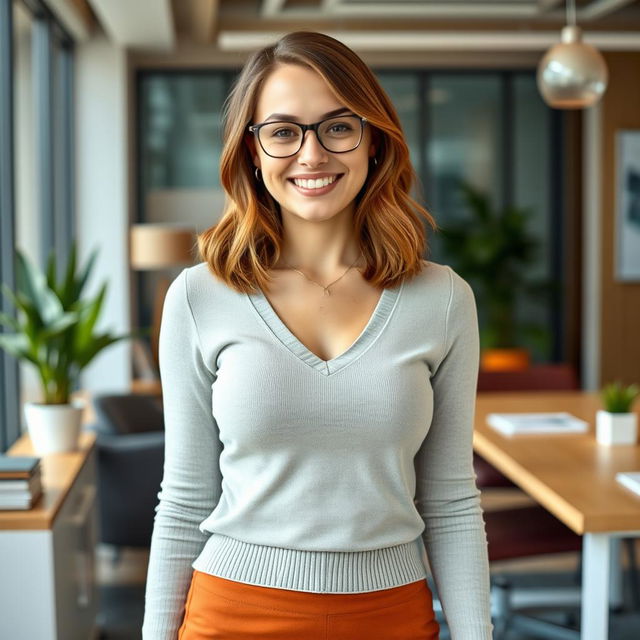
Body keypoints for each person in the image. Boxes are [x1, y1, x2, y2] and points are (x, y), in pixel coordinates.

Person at [142, 31, 493, 640]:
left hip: (392, 615)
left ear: (373, 139)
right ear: (251, 152)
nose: (311, 154)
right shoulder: (199, 297)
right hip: (230, 614)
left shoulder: (443, 300)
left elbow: (451, 502)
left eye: (337, 126)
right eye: (282, 131)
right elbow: (184, 500)